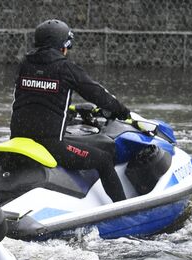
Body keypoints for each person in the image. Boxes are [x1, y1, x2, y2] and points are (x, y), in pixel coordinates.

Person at [10, 19, 130, 202]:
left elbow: (36, 100)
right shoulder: (65, 68)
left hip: (17, 142)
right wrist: (121, 111)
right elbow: (97, 94)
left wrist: (71, 112)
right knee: (104, 159)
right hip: (50, 146)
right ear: (63, 46)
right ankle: (124, 210)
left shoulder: (24, 64)